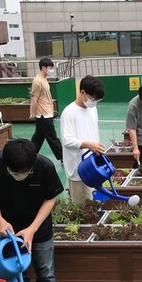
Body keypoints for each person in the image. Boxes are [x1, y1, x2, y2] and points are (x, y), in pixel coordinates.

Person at [0, 138, 64, 282]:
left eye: (26, 172)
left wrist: (32, 229)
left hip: (39, 227)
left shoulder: (44, 166)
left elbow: (50, 199)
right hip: (9, 230)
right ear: (6, 164)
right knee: (17, 271)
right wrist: (1, 221)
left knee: (46, 272)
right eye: (15, 172)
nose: (20, 175)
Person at [60, 75, 105, 204]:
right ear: (82, 92)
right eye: (92, 98)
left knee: (96, 203)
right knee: (82, 207)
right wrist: (88, 145)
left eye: (97, 99)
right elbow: (67, 140)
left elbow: (93, 133)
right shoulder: (69, 112)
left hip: (94, 165)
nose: (94, 102)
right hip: (78, 168)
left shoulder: (92, 109)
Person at [30, 58, 62, 162]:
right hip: (43, 114)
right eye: (50, 68)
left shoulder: (44, 79)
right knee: (52, 138)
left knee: (38, 138)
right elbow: (34, 98)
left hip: (46, 113)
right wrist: (32, 113)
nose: (51, 70)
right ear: (43, 68)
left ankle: (28, 154)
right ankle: (63, 157)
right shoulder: (38, 81)